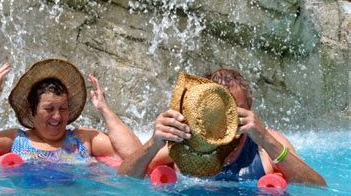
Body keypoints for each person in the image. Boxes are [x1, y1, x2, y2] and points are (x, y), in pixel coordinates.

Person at [117, 68, 326, 186]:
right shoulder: (184, 142)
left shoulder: (264, 145)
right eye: (219, 115)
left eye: (235, 112)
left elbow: (317, 186)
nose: (228, 122)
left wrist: (266, 140)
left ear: (250, 108)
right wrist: (154, 143)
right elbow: (124, 179)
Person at [0, 59, 142, 163]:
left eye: (63, 108)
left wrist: (104, 109)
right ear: (31, 109)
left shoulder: (83, 140)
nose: (58, 116)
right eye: (49, 109)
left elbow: (135, 155)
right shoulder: (16, 140)